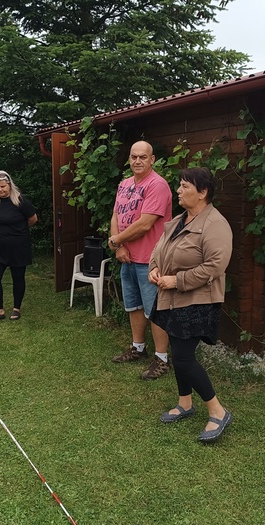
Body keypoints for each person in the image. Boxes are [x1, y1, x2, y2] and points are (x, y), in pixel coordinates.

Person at [148, 167, 233, 443]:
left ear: (203, 192)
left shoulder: (215, 224)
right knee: (178, 351)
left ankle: (218, 411)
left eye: (185, 186)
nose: (179, 190)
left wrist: (177, 280)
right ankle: (185, 402)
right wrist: (153, 268)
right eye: (180, 185)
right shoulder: (178, 221)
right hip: (171, 298)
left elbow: (215, 266)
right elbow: (158, 249)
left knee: (184, 357)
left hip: (198, 300)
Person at [108, 140, 172, 380]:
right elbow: (116, 215)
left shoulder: (157, 185)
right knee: (133, 305)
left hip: (150, 259)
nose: (137, 161)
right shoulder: (124, 184)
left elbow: (145, 224)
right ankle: (138, 347)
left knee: (155, 309)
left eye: (143, 157)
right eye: (133, 157)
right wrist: (119, 245)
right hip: (128, 257)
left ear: (152, 159)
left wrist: (115, 241)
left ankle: (162, 358)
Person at [0, 170, 37, 322]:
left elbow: (33, 219)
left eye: (3, 186)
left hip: (18, 247)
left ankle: (16, 308)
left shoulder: (20, 201)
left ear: (9, 185)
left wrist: (18, 230)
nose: (0, 190)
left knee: (18, 277)